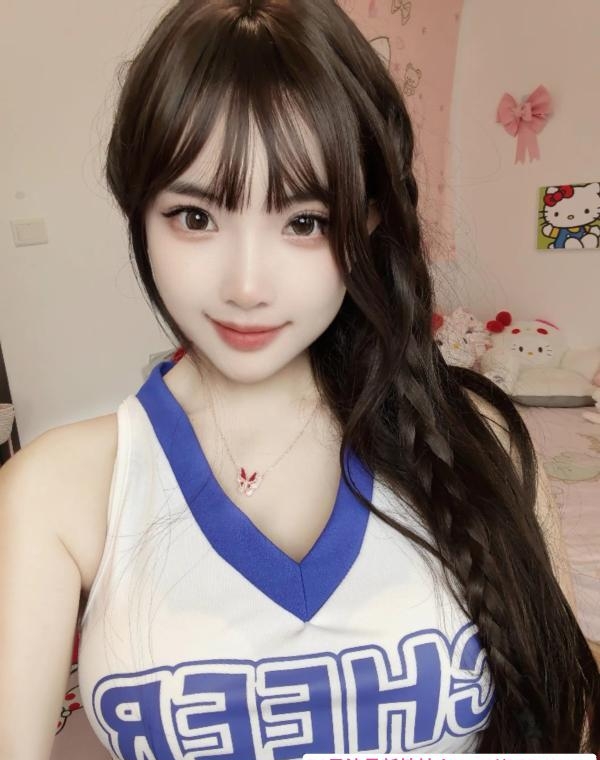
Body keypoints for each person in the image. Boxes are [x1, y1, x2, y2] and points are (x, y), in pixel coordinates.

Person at [0, 0, 598, 757]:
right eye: (195, 217)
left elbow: (562, 720)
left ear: (368, 220)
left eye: (304, 221)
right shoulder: (56, 492)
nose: (247, 286)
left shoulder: (477, 442)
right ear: (140, 211)